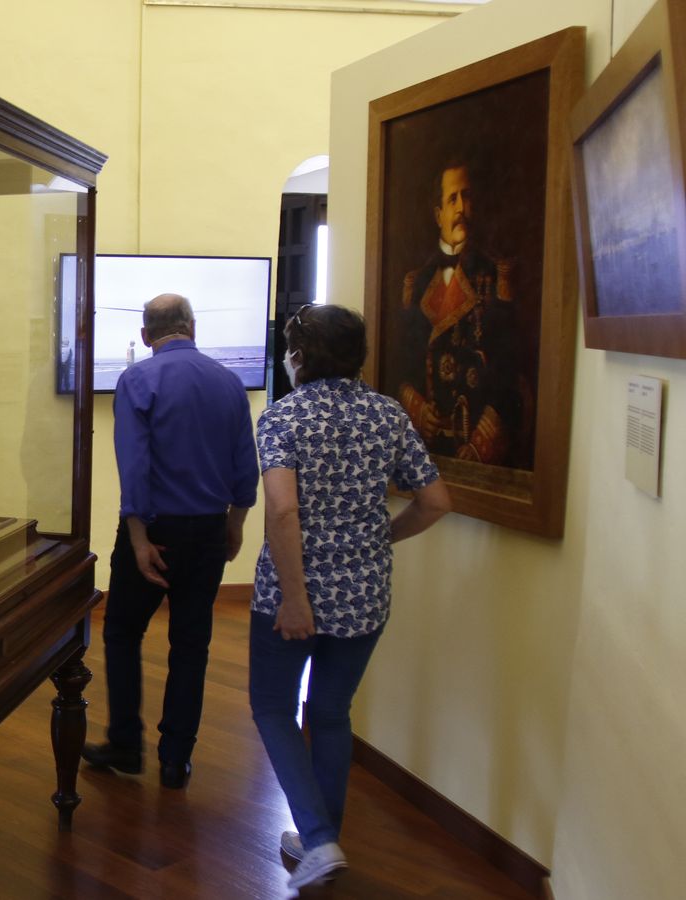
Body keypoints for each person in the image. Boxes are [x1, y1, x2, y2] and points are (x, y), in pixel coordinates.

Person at [249, 304, 451, 893]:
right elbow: (435, 502)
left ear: (298, 357)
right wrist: (380, 538)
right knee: (331, 713)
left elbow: (282, 511)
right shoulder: (388, 414)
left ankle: (317, 839)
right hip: (365, 594)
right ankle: (323, 838)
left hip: (292, 593)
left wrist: (295, 598)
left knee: (272, 708)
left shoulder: (285, 416)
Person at [83, 293, 258, 788]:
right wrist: (235, 524)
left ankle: (125, 744)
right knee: (191, 643)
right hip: (209, 529)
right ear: (193, 328)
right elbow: (245, 466)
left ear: (145, 336)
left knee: (122, 632)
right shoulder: (229, 382)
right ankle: (176, 759)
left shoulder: (137, 379)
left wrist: (139, 540)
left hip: (156, 530)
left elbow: (134, 466)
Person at [393, 160, 528, 468]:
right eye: (452, 199)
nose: (461, 208)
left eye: (466, 197)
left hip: (473, 444)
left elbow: (510, 369)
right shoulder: (417, 282)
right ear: (438, 214)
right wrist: (418, 412)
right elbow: (403, 364)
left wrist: (481, 443)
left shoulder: (496, 275)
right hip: (429, 444)